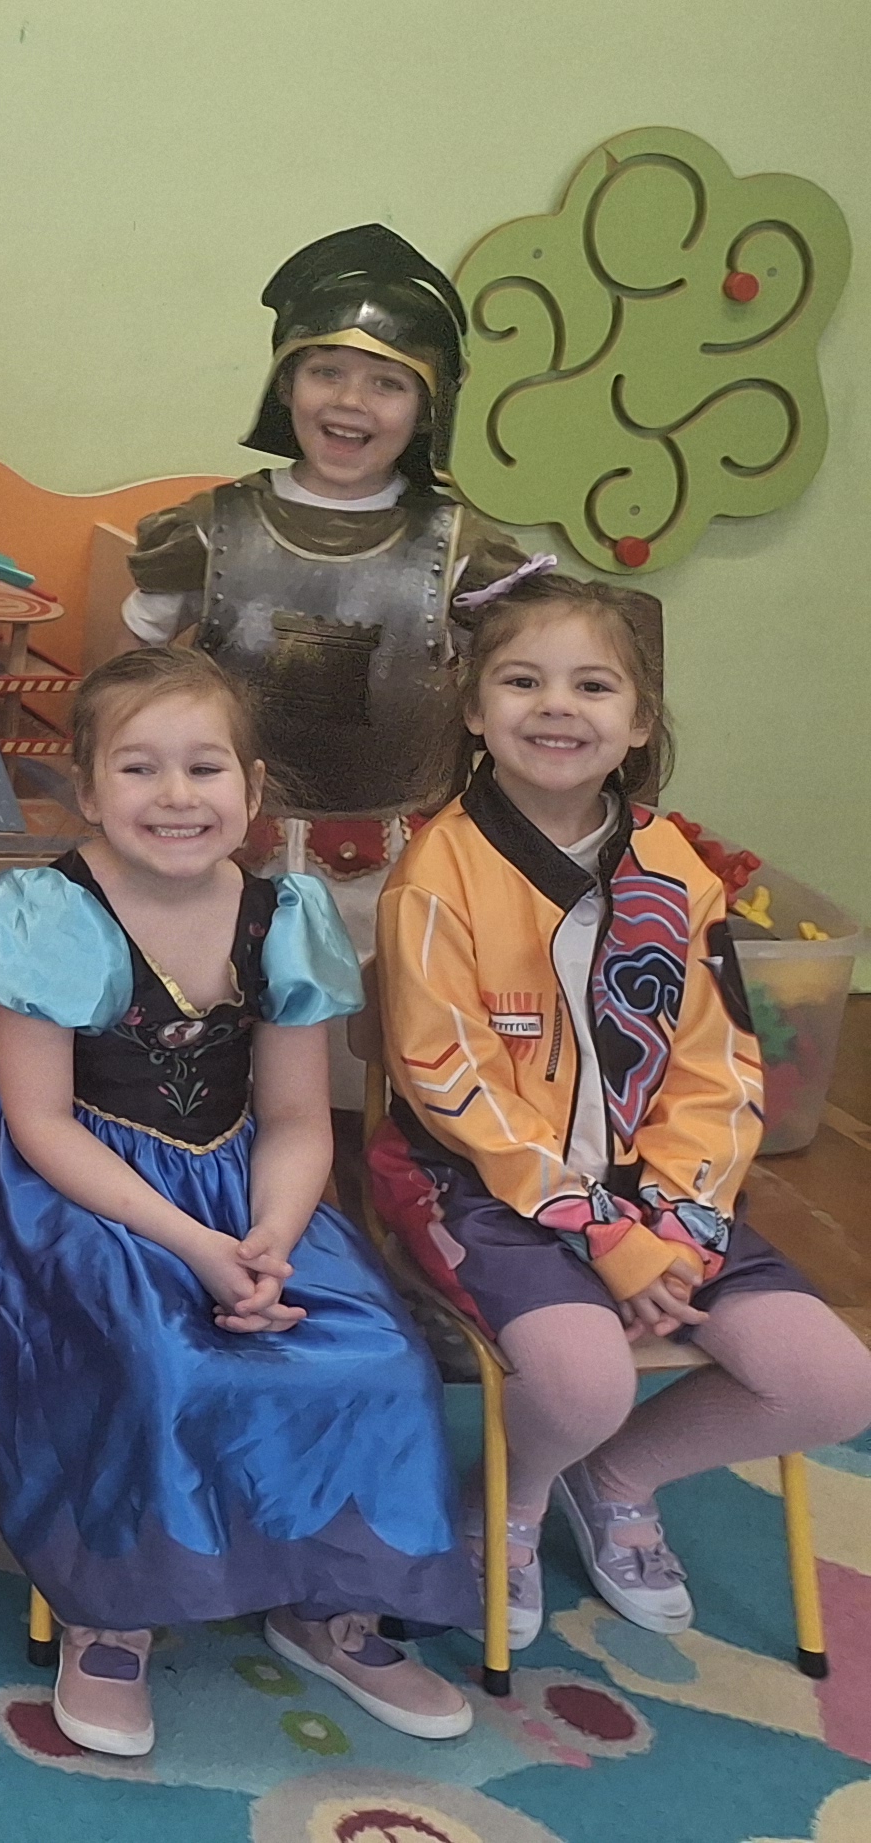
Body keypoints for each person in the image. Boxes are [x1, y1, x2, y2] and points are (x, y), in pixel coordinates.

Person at [0, 643, 472, 1758]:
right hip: (80, 1198)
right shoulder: (47, 909)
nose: (176, 796)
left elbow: (294, 1118)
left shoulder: (285, 913)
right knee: (159, 1358)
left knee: (379, 1354)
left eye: (205, 768)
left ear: (252, 786)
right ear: (89, 791)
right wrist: (194, 1245)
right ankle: (112, 1614)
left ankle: (328, 1599)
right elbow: (40, 1125)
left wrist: (272, 1234)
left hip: (246, 1186)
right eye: (138, 768)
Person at [376, 572, 871, 1652]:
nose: (557, 706)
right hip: (476, 1183)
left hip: (658, 1194)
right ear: (475, 709)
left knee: (835, 1384)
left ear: (639, 721)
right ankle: (509, 1501)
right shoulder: (437, 871)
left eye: (593, 686)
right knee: (584, 1378)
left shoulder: (677, 868)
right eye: (523, 681)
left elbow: (718, 1066)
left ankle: (614, 1479)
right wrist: (603, 1233)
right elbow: (446, 1078)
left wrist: (681, 1224)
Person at [127, 225, 529, 972]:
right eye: (326, 371)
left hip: (400, 871)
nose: (351, 401)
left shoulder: (465, 554)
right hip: (218, 862)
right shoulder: (210, 531)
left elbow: (521, 694)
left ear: (428, 406)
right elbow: (126, 678)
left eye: (388, 383)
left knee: (380, 1032)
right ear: (286, 384)